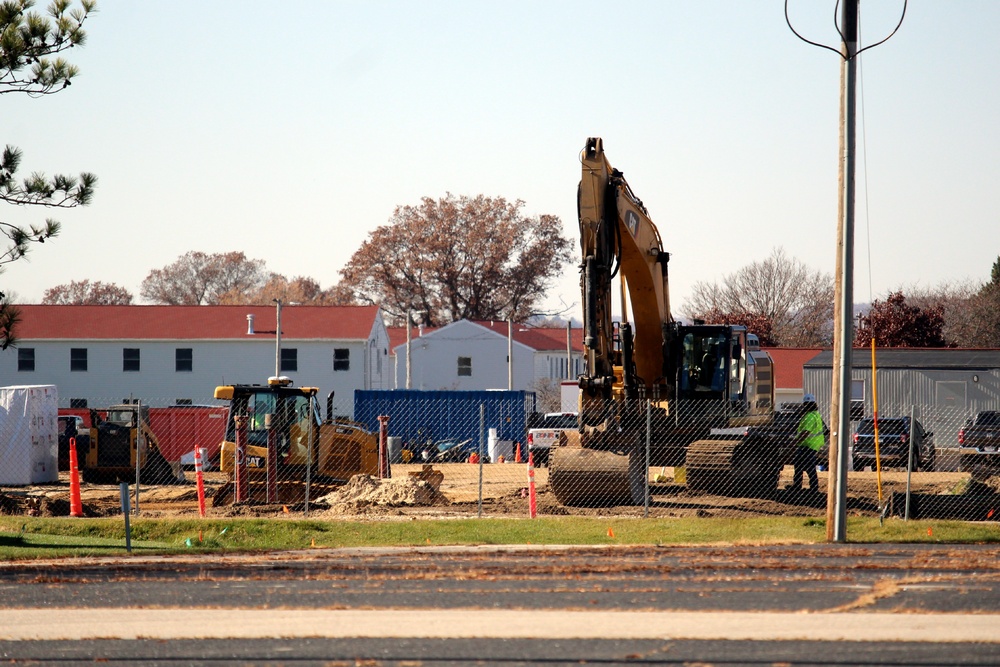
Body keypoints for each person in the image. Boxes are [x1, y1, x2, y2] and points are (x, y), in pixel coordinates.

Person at [790, 394, 824, 493]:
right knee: (802, 466)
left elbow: (805, 432)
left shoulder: (809, 416)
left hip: (807, 445)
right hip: (812, 445)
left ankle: (809, 488)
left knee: (805, 467)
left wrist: (795, 442)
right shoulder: (816, 415)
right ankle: (807, 487)